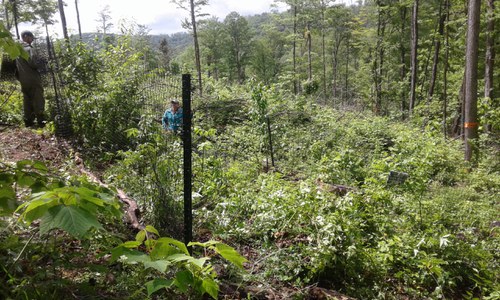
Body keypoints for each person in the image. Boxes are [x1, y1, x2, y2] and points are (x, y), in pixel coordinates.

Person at [16, 31, 45, 128]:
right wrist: (42, 61)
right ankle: (41, 120)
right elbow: (34, 63)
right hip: (33, 78)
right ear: (27, 37)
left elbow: (11, 68)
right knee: (38, 98)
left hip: (22, 79)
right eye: (31, 38)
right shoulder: (29, 49)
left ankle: (28, 121)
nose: (32, 40)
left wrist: (19, 77)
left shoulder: (15, 50)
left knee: (27, 99)